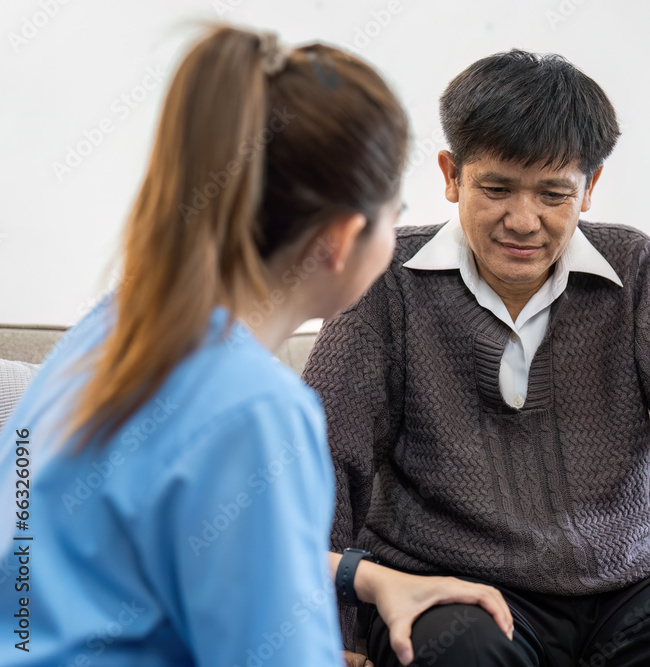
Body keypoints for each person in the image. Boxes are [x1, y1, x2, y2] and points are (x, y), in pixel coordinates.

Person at [303, 49, 650, 667]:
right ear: (451, 175)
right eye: (496, 189)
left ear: (590, 187)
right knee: (454, 651)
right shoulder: (386, 280)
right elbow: (325, 466)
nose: (524, 221)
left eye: (554, 194)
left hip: (633, 591)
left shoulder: (633, 269)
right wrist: (335, 631)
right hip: (459, 592)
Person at [0, 25, 512, 667]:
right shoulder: (255, 409)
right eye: (395, 210)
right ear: (343, 237)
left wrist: (370, 577)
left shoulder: (111, 330)